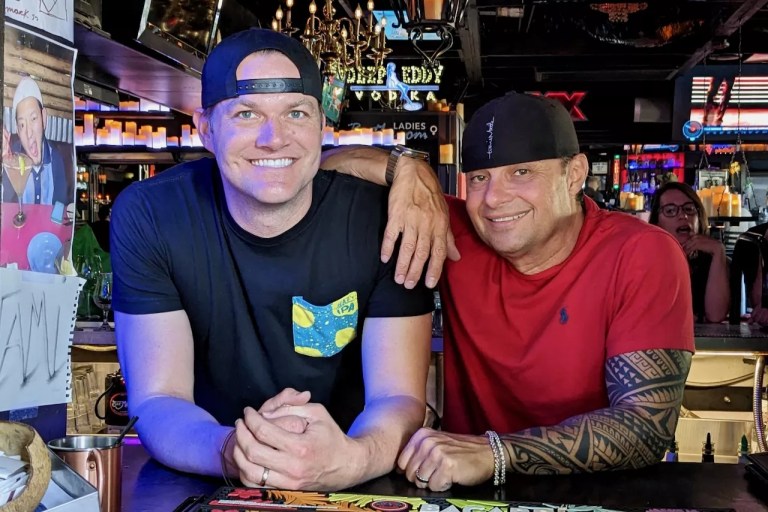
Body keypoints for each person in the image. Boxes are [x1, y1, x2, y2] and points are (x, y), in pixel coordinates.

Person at [110, 28, 441, 491]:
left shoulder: (384, 218)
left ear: (322, 125)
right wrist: (237, 450)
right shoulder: (151, 214)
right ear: (206, 129)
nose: (274, 138)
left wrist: (356, 458)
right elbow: (158, 398)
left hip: (357, 484)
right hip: (206, 476)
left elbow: (398, 396)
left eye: (296, 113)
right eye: (246, 114)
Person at [324, 92, 695, 490]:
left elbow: (645, 426)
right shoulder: (450, 231)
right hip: (466, 492)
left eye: (521, 172)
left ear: (574, 175)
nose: (494, 199)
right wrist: (407, 168)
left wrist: (496, 453)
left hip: (600, 493)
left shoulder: (641, 252)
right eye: (479, 178)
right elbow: (318, 167)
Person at [649, 182, 729, 323]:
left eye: (689, 209)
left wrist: (719, 252)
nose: (683, 216)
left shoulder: (712, 260)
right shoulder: (647, 260)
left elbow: (716, 315)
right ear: (657, 222)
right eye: (670, 211)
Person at [1, 77, 73, 205]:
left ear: (44, 118)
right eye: (22, 125)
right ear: (17, 130)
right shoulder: (11, 161)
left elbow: (61, 207)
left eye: (33, 118)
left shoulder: (58, 159)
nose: (28, 133)